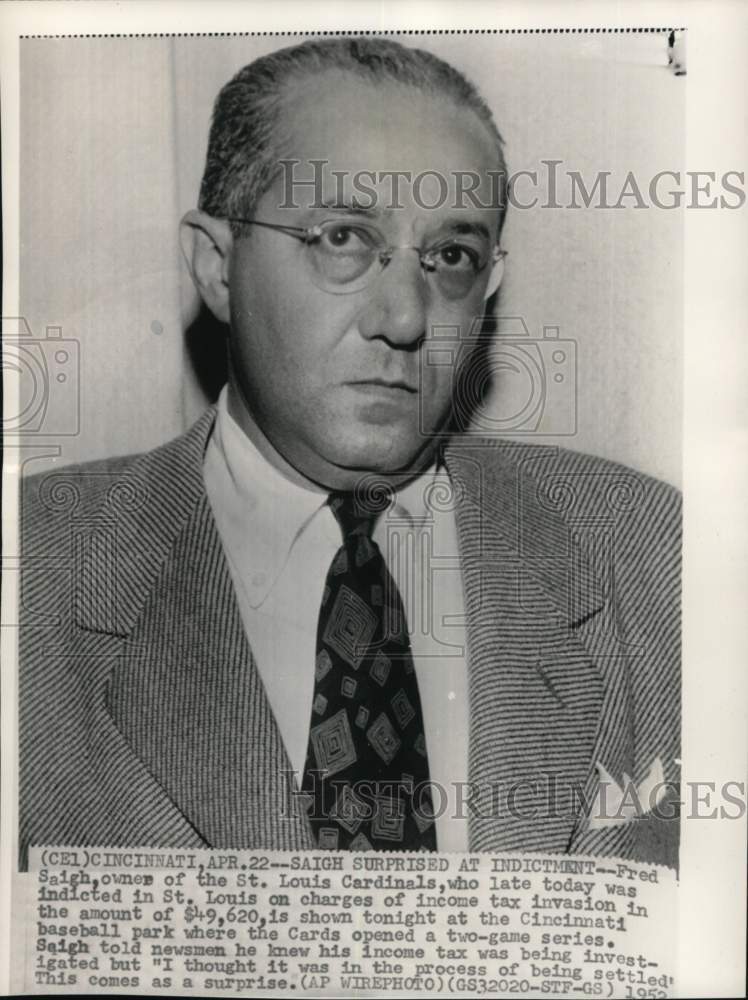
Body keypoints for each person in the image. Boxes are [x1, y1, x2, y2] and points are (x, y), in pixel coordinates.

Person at [19, 37, 681, 869]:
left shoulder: (655, 553)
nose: (405, 317)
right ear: (217, 266)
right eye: (342, 237)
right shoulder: (30, 566)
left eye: (450, 257)